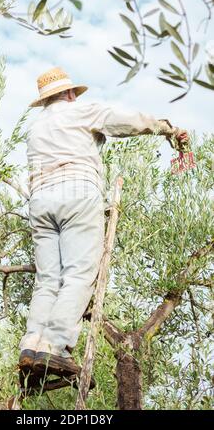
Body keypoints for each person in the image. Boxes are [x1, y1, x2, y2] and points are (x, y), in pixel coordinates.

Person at [18, 66, 189, 381]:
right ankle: (55, 345)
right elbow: (125, 122)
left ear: (44, 101)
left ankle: (31, 343)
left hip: (40, 202)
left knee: (47, 279)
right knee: (79, 273)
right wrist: (165, 128)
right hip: (77, 192)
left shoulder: (35, 128)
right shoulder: (80, 111)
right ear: (70, 93)